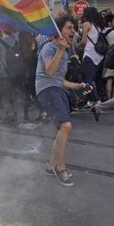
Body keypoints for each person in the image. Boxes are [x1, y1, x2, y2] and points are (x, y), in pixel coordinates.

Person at [36, 16, 90, 186]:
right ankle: (60, 168)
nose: (73, 31)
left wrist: (78, 86)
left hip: (56, 89)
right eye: (68, 28)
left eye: (73, 27)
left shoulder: (65, 51)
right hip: (47, 89)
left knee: (62, 130)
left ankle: (51, 165)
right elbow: (50, 72)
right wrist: (60, 49)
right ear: (59, 31)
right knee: (66, 126)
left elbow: (60, 80)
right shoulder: (49, 48)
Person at [79, 7, 105, 106]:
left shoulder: (86, 24)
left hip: (89, 53)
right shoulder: (99, 25)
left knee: (86, 80)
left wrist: (77, 46)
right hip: (99, 55)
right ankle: (91, 101)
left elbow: (84, 41)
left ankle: (96, 100)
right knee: (90, 79)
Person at [0, 31, 19, 122]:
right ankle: (15, 112)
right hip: (16, 73)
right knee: (14, 94)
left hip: (3, 73)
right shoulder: (16, 41)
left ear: (3, 31)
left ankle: (9, 114)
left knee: (5, 95)